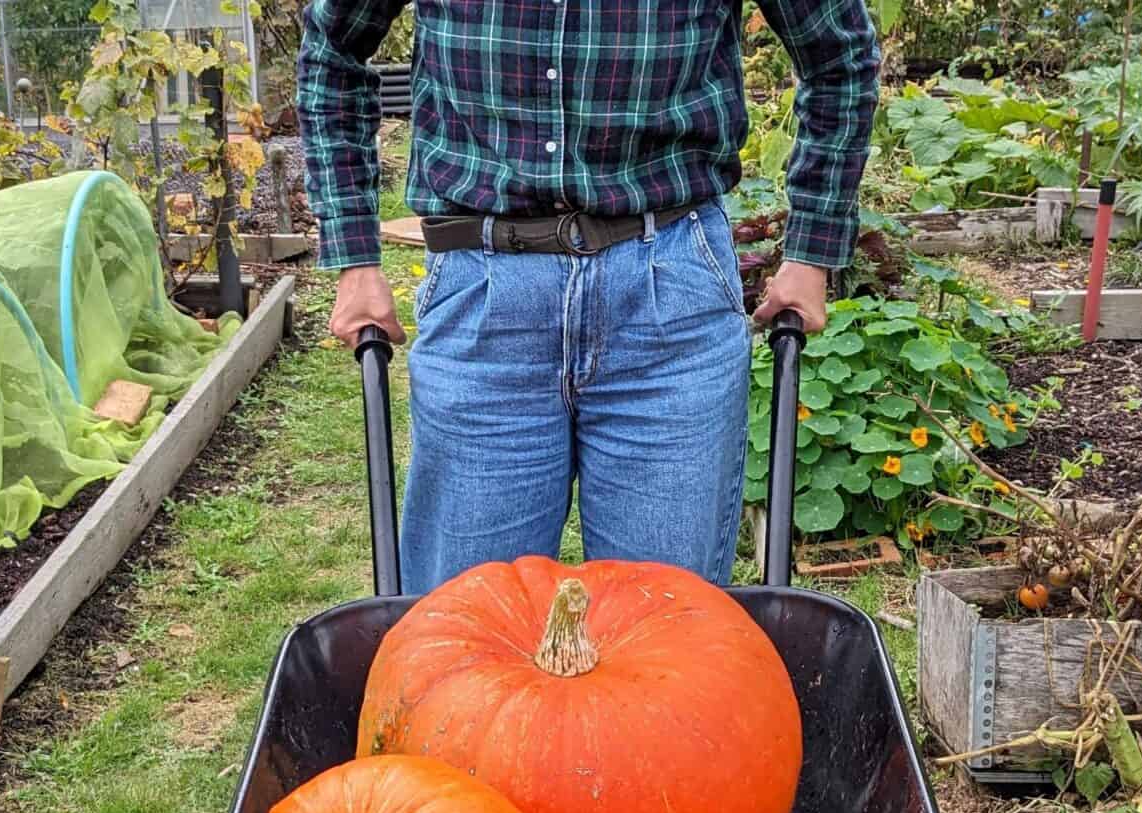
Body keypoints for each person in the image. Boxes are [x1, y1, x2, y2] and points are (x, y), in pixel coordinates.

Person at [299, 0, 879, 593]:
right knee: (465, 628)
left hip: (669, 295)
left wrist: (811, 250)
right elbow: (333, 48)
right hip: (486, 295)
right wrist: (354, 254)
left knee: (668, 627)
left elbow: (839, 53)